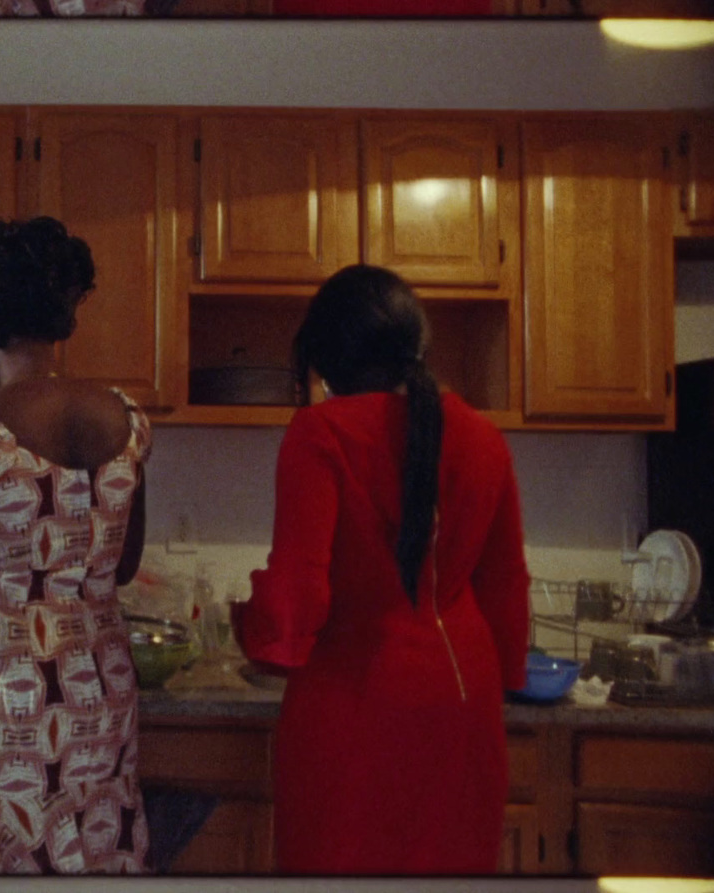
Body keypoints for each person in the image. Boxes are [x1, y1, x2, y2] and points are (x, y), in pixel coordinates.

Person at [233, 264, 531, 875]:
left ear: (326, 359)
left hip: (357, 702)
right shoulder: (484, 436)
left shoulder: (320, 432)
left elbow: (296, 595)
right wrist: (505, 675)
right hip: (465, 704)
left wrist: (255, 629)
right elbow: (506, 587)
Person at [0, 216, 151, 875]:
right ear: (63, 313)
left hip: (2, 709)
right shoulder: (127, 419)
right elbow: (121, 564)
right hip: (98, 700)